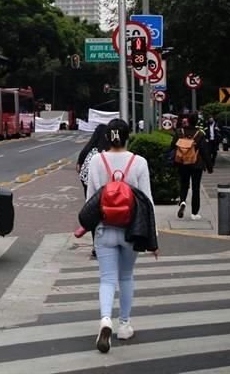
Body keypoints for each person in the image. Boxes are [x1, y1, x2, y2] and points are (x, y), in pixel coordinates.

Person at [85, 118, 156, 353]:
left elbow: (91, 201)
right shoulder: (139, 162)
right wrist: (153, 238)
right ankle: (124, 325)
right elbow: (147, 202)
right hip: (131, 231)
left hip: (104, 230)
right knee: (126, 277)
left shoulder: (96, 160)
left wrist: (91, 231)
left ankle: (105, 319)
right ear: (128, 137)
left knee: (106, 279)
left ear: (107, 137)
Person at [77, 124, 110, 258]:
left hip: (90, 190)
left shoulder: (88, 151)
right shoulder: (108, 152)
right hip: (108, 191)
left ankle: (96, 246)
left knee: (94, 216)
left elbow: (80, 170)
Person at [170, 115, 209, 220]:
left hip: (182, 162)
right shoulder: (199, 134)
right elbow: (205, 151)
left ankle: (182, 201)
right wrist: (209, 166)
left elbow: (172, 146)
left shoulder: (179, 132)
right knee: (196, 188)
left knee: (184, 184)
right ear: (196, 122)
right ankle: (194, 213)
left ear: (187, 121)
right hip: (196, 163)